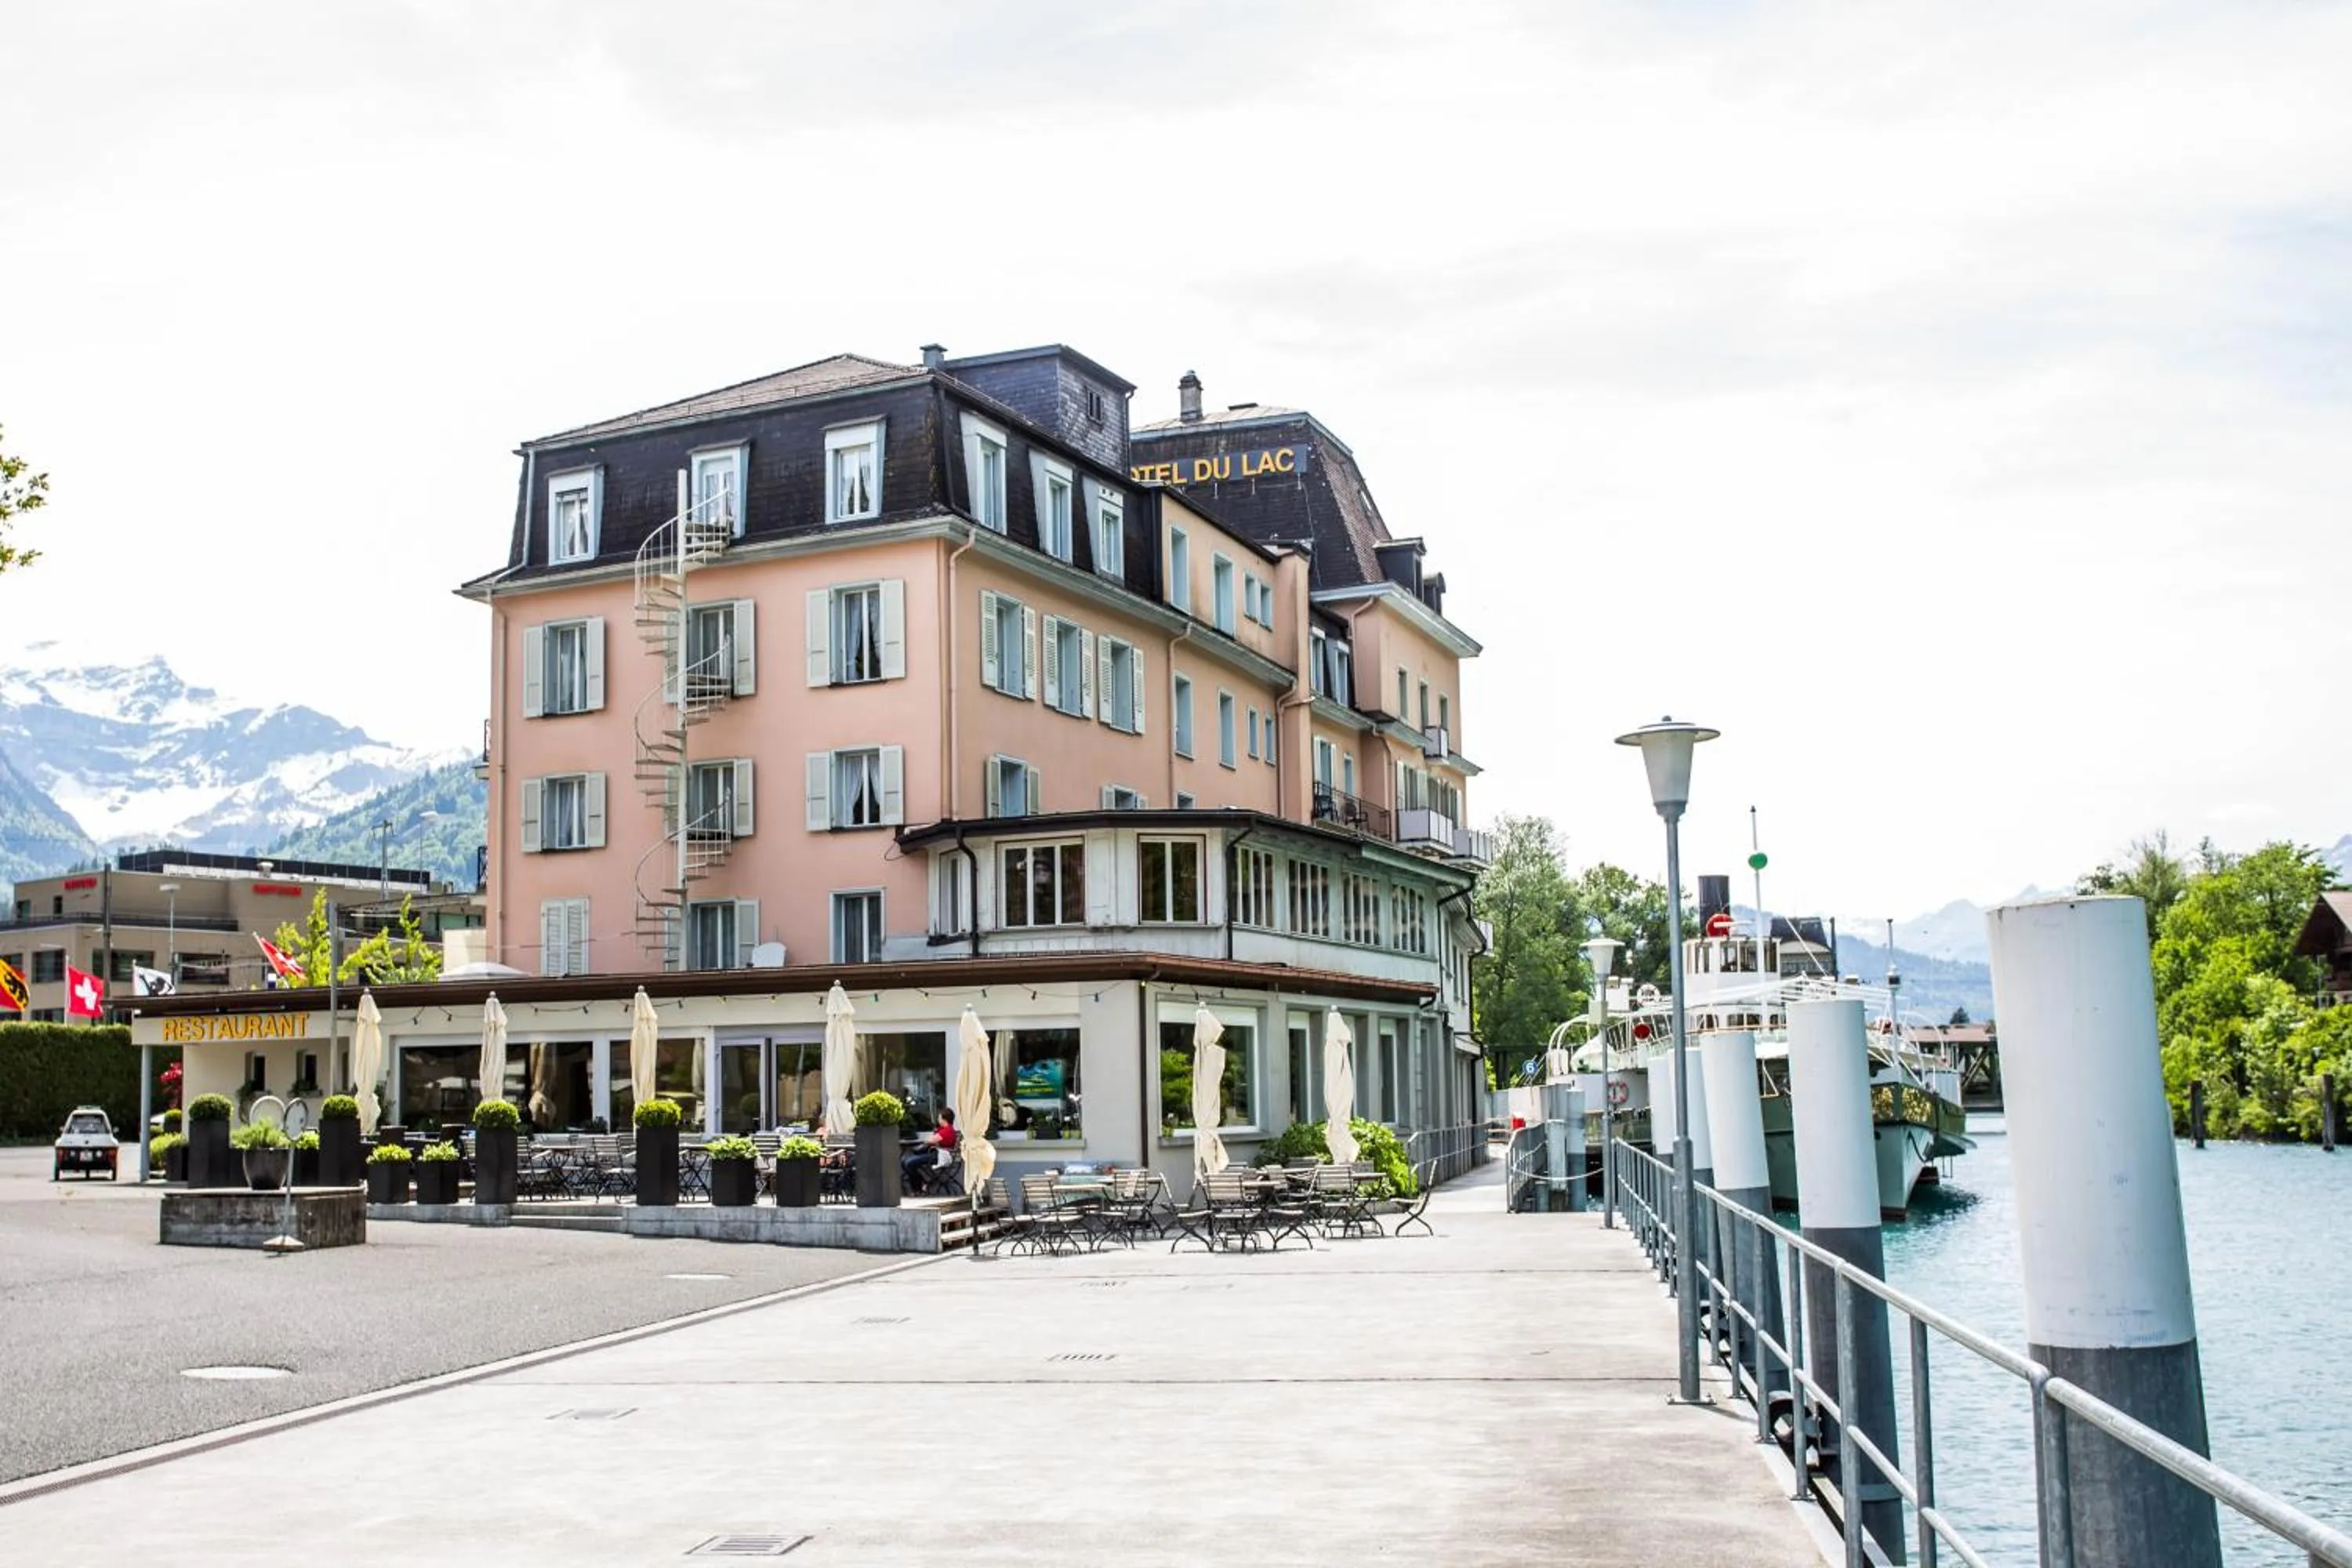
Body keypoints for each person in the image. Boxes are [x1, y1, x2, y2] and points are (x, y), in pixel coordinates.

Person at [901, 1107, 956, 1192]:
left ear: (944, 1119)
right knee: (906, 1161)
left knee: (909, 1163)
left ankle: (919, 1186)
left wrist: (931, 1140)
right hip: (935, 1154)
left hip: (939, 1156)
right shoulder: (946, 1130)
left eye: (939, 1117)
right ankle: (920, 1185)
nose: (938, 1119)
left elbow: (931, 1140)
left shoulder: (947, 1131)